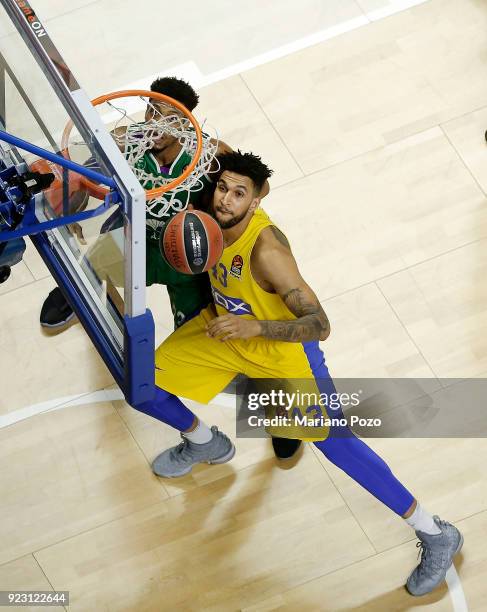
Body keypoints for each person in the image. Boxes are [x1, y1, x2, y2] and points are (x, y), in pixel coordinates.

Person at [135, 150, 463, 597]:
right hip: (227, 335)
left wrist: (253, 326)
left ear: (254, 202)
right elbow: (221, 155)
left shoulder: (267, 251)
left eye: (238, 194)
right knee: (141, 381)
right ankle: (204, 442)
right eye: (223, 188)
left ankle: (435, 532)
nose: (226, 200)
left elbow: (320, 325)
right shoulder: (210, 218)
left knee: (338, 446)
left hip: (280, 350)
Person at [39, 76, 230, 332]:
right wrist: (71, 213)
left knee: (196, 332)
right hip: (135, 239)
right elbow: (79, 178)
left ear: (186, 123)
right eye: (152, 110)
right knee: (91, 262)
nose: (156, 123)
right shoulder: (126, 139)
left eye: (170, 118)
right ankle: (82, 284)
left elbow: (259, 186)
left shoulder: (210, 152)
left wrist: (221, 208)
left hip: (185, 252)